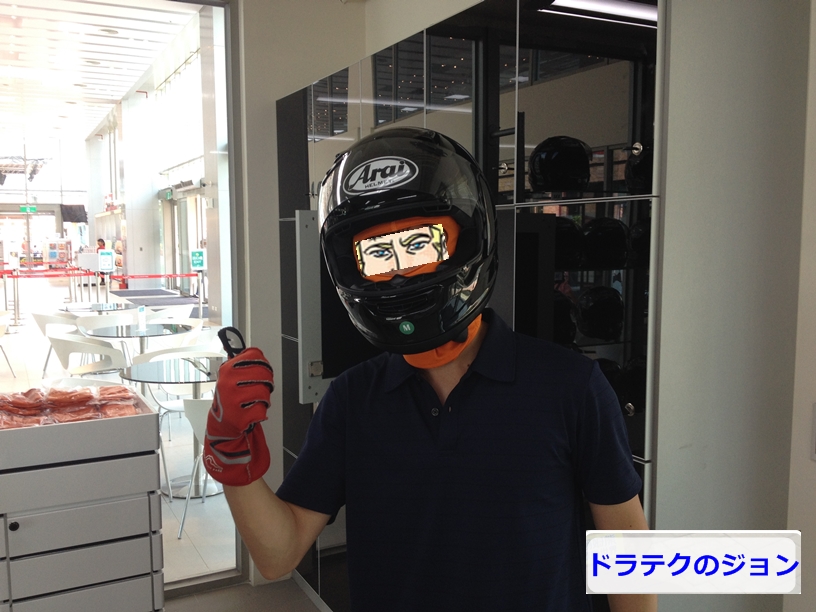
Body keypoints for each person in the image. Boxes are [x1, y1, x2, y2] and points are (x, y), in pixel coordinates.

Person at [204, 128, 657, 612]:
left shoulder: (571, 387)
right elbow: (278, 556)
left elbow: (627, 550)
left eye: (420, 244)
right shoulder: (352, 400)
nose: (400, 271)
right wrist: (230, 448)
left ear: (468, 238)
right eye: (378, 254)